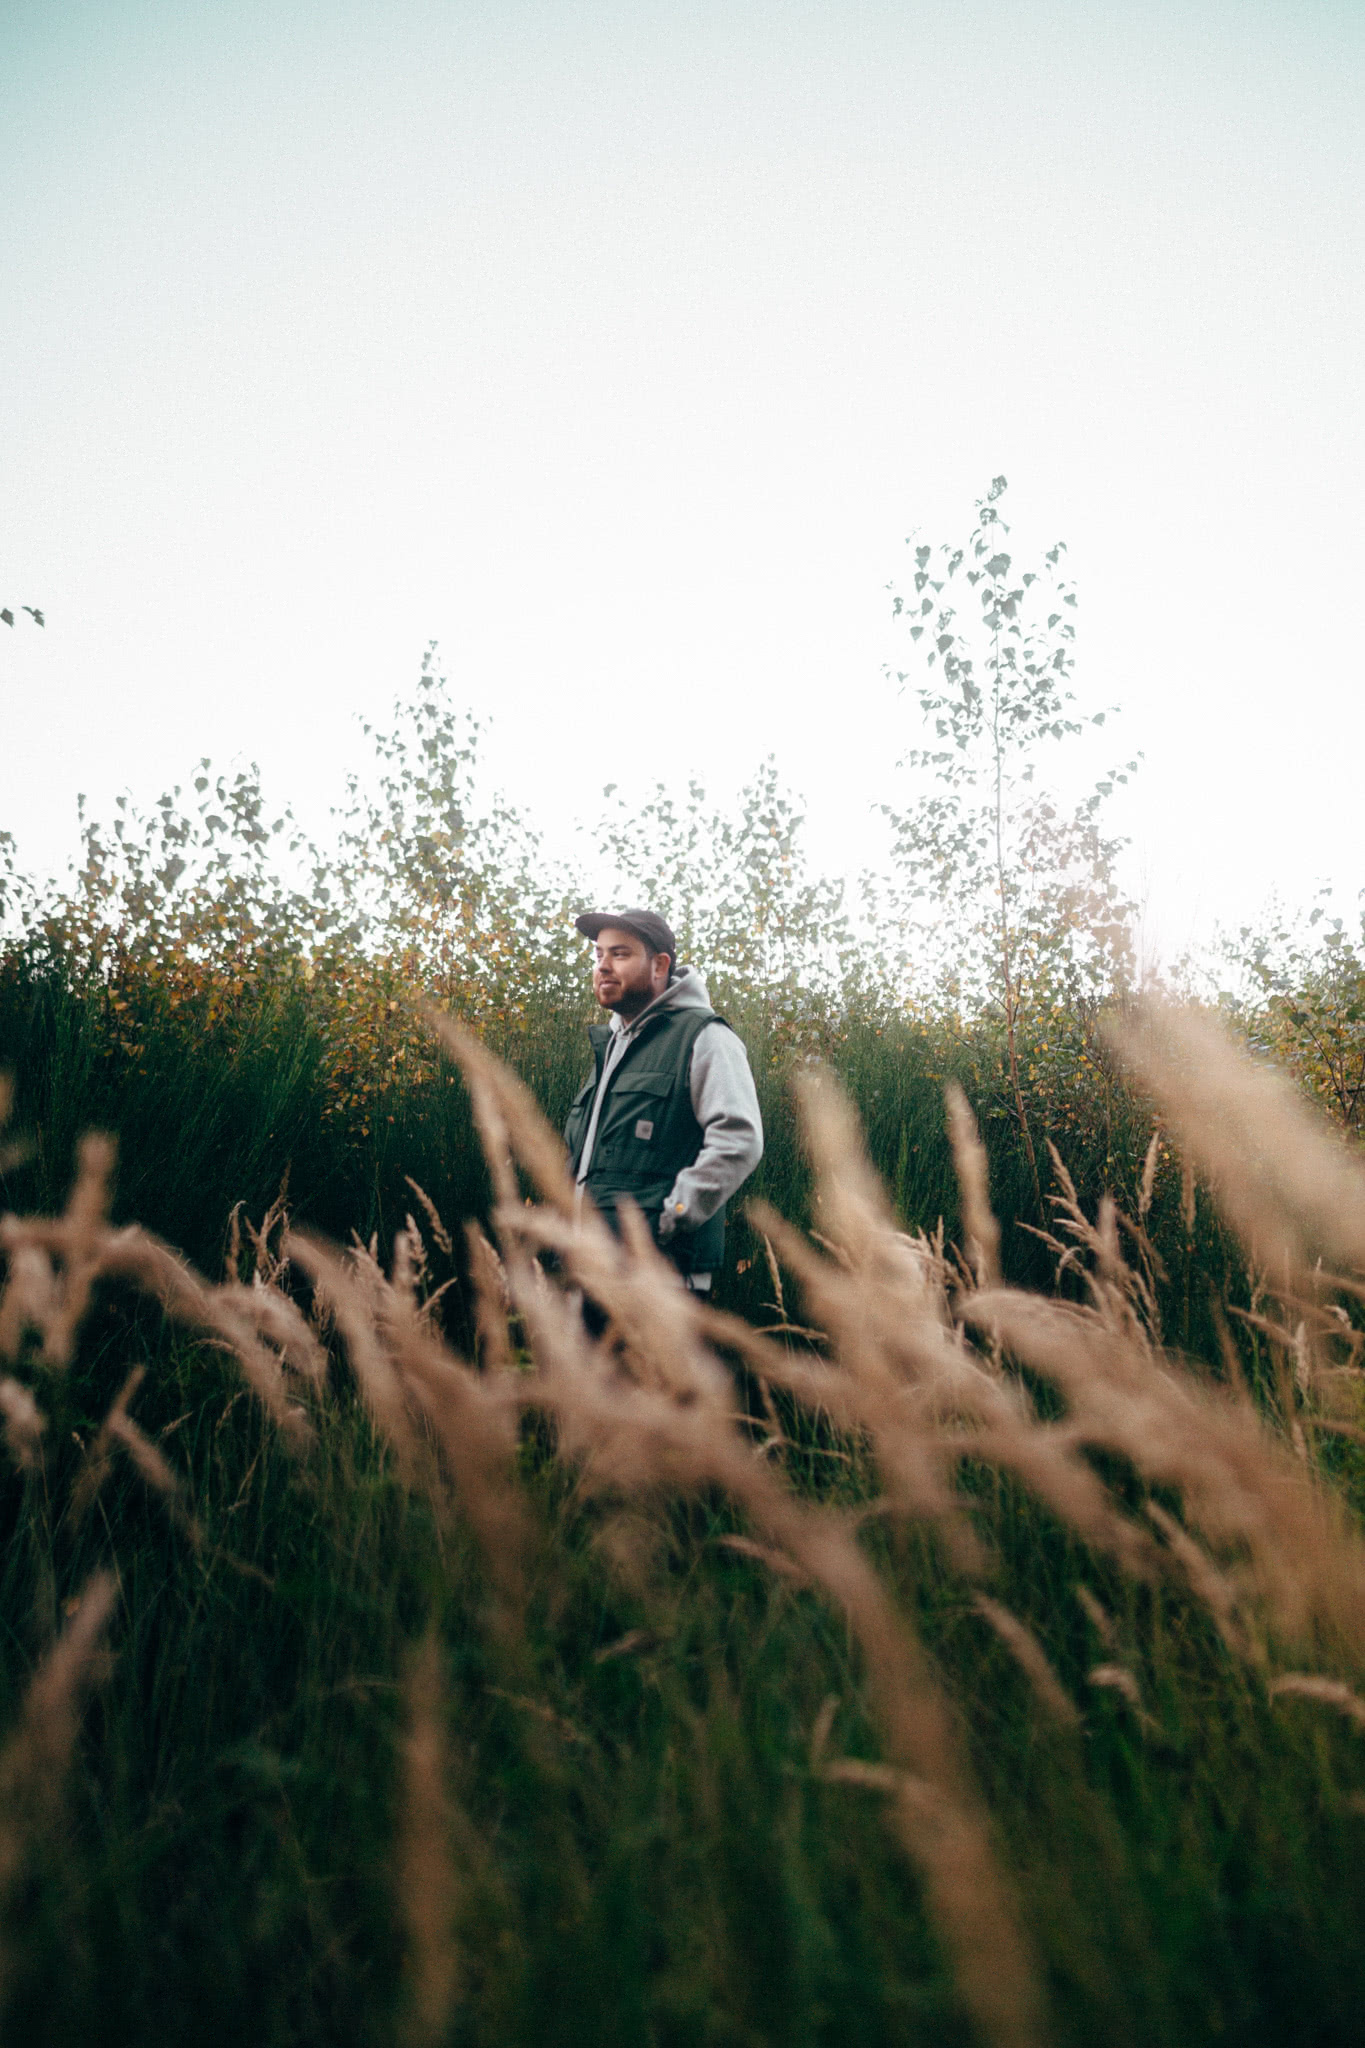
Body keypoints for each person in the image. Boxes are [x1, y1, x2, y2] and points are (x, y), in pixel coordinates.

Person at [564, 909, 764, 1295]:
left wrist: (668, 1220)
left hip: (659, 1280)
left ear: (659, 965)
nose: (603, 966)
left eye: (620, 954)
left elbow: (739, 1141)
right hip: (590, 1271)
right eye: (598, 954)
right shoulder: (613, 1046)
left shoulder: (705, 1037)